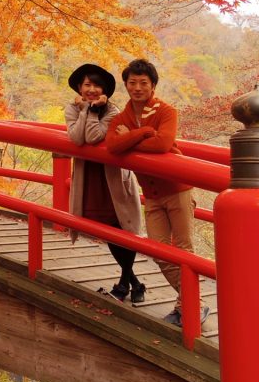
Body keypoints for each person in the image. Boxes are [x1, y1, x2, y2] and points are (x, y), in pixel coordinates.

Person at [104, 58, 207, 327]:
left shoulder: (166, 111)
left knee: (184, 250)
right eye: (132, 82)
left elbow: (163, 144)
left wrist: (134, 135)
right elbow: (113, 146)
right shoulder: (121, 116)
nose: (137, 88)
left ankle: (187, 306)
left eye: (143, 83)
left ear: (153, 86)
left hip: (177, 188)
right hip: (150, 193)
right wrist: (145, 133)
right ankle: (194, 302)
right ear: (126, 84)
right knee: (160, 251)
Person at [64, 63, 145, 304]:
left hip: (113, 179)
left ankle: (124, 283)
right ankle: (134, 283)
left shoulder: (114, 111)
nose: (91, 89)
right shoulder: (71, 108)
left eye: (96, 85)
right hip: (91, 179)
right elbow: (78, 138)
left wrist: (88, 111)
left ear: (105, 89)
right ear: (79, 87)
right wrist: (87, 110)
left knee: (122, 228)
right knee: (109, 231)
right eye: (87, 85)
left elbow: (94, 136)